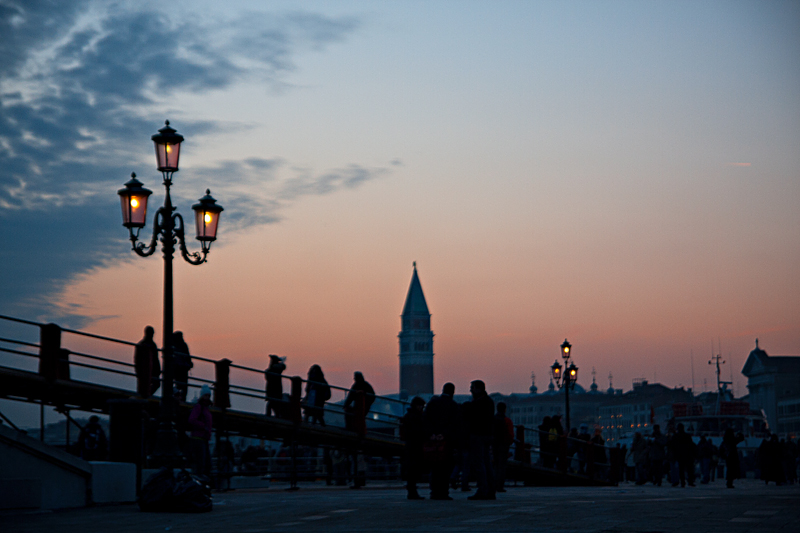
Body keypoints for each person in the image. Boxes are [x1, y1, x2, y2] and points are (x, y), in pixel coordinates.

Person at [424, 383, 460, 500]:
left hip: (433, 440)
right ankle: (443, 492)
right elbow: (455, 424)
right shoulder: (453, 405)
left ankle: (434, 491)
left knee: (435, 467)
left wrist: (432, 434)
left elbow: (426, 420)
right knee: (446, 468)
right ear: (452, 392)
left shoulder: (433, 403)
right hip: (447, 440)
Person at [464, 380, 495, 500]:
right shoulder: (488, 401)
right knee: (487, 463)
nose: (470, 390)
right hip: (487, 435)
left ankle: (483, 489)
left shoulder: (478, 403)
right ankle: (490, 490)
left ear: (478, 389)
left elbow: (472, 416)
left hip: (478, 435)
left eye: (472, 387)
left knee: (479, 463)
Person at [400, 396, 426, 500]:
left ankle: (412, 490)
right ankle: (412, 491)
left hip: (411, 445)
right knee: (413, 469)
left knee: (412, 469)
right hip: (414, 445)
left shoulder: (408, 416)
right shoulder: (415, 417)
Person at [188, 385, 213, 478]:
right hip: (198, 439)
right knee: (201, 463)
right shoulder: (199, 407)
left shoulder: (205, 408)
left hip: (204, 439)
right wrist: (203, 426)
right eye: (206, 395)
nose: (207, 398)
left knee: (206, 463)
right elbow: (192, 419)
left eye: (208, 396)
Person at [493, 402, 514, 492]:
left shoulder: (493, 419)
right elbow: (510, 434)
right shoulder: (507, 421)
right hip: (504, 445)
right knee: (502, 466)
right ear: (505, 409)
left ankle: (493, 484)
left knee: (495, 465)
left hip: (494, 444)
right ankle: (500, 485)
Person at [134, 326, 160, 398]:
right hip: (145, 369)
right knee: (146, 385)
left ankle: (145, 396)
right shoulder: (144, 344)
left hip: (149, 370)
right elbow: (137, 359)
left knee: (153, 384)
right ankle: (145, 396)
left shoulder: (142, 344)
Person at [171, 331, 193, 402]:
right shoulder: (183, 345)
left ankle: (178, 400)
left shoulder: (174, 345)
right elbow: (188, 357)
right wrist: (189, 364)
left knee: (179, 387)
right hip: (182, 370)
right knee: (183, 388)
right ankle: (182, 401)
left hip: (178, 370)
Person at [674, 423, 696, 487]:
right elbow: (691, 445)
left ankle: (683, 482)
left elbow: (674, 446)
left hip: (681, 455)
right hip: (687, 455)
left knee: (682, 470)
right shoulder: (687, 436)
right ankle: (689, 481)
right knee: (689, 469)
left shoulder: (676, 436)